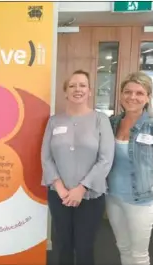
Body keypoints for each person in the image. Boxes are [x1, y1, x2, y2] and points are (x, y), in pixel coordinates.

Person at [41, 69, 115, 265]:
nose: (77, 89)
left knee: (85, 247)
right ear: (65, 92)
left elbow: (106, 159)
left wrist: (82, 188)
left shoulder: (101, 120)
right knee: (62, 245)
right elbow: (46, 157)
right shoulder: (54, 121)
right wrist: (59, 187)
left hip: (90, 196)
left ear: (90, 91)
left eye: (82, 85)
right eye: (72, 86)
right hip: (59, 196)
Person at [106, 72, 153, 265]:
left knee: (139, 255)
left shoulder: (152, 127)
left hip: (141, 200)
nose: (132, 97)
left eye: (139, 93)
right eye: (127, 92)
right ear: (121, 94)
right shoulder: (111, 123)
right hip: (113, 197)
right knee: (123, 247)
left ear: (147, 98)